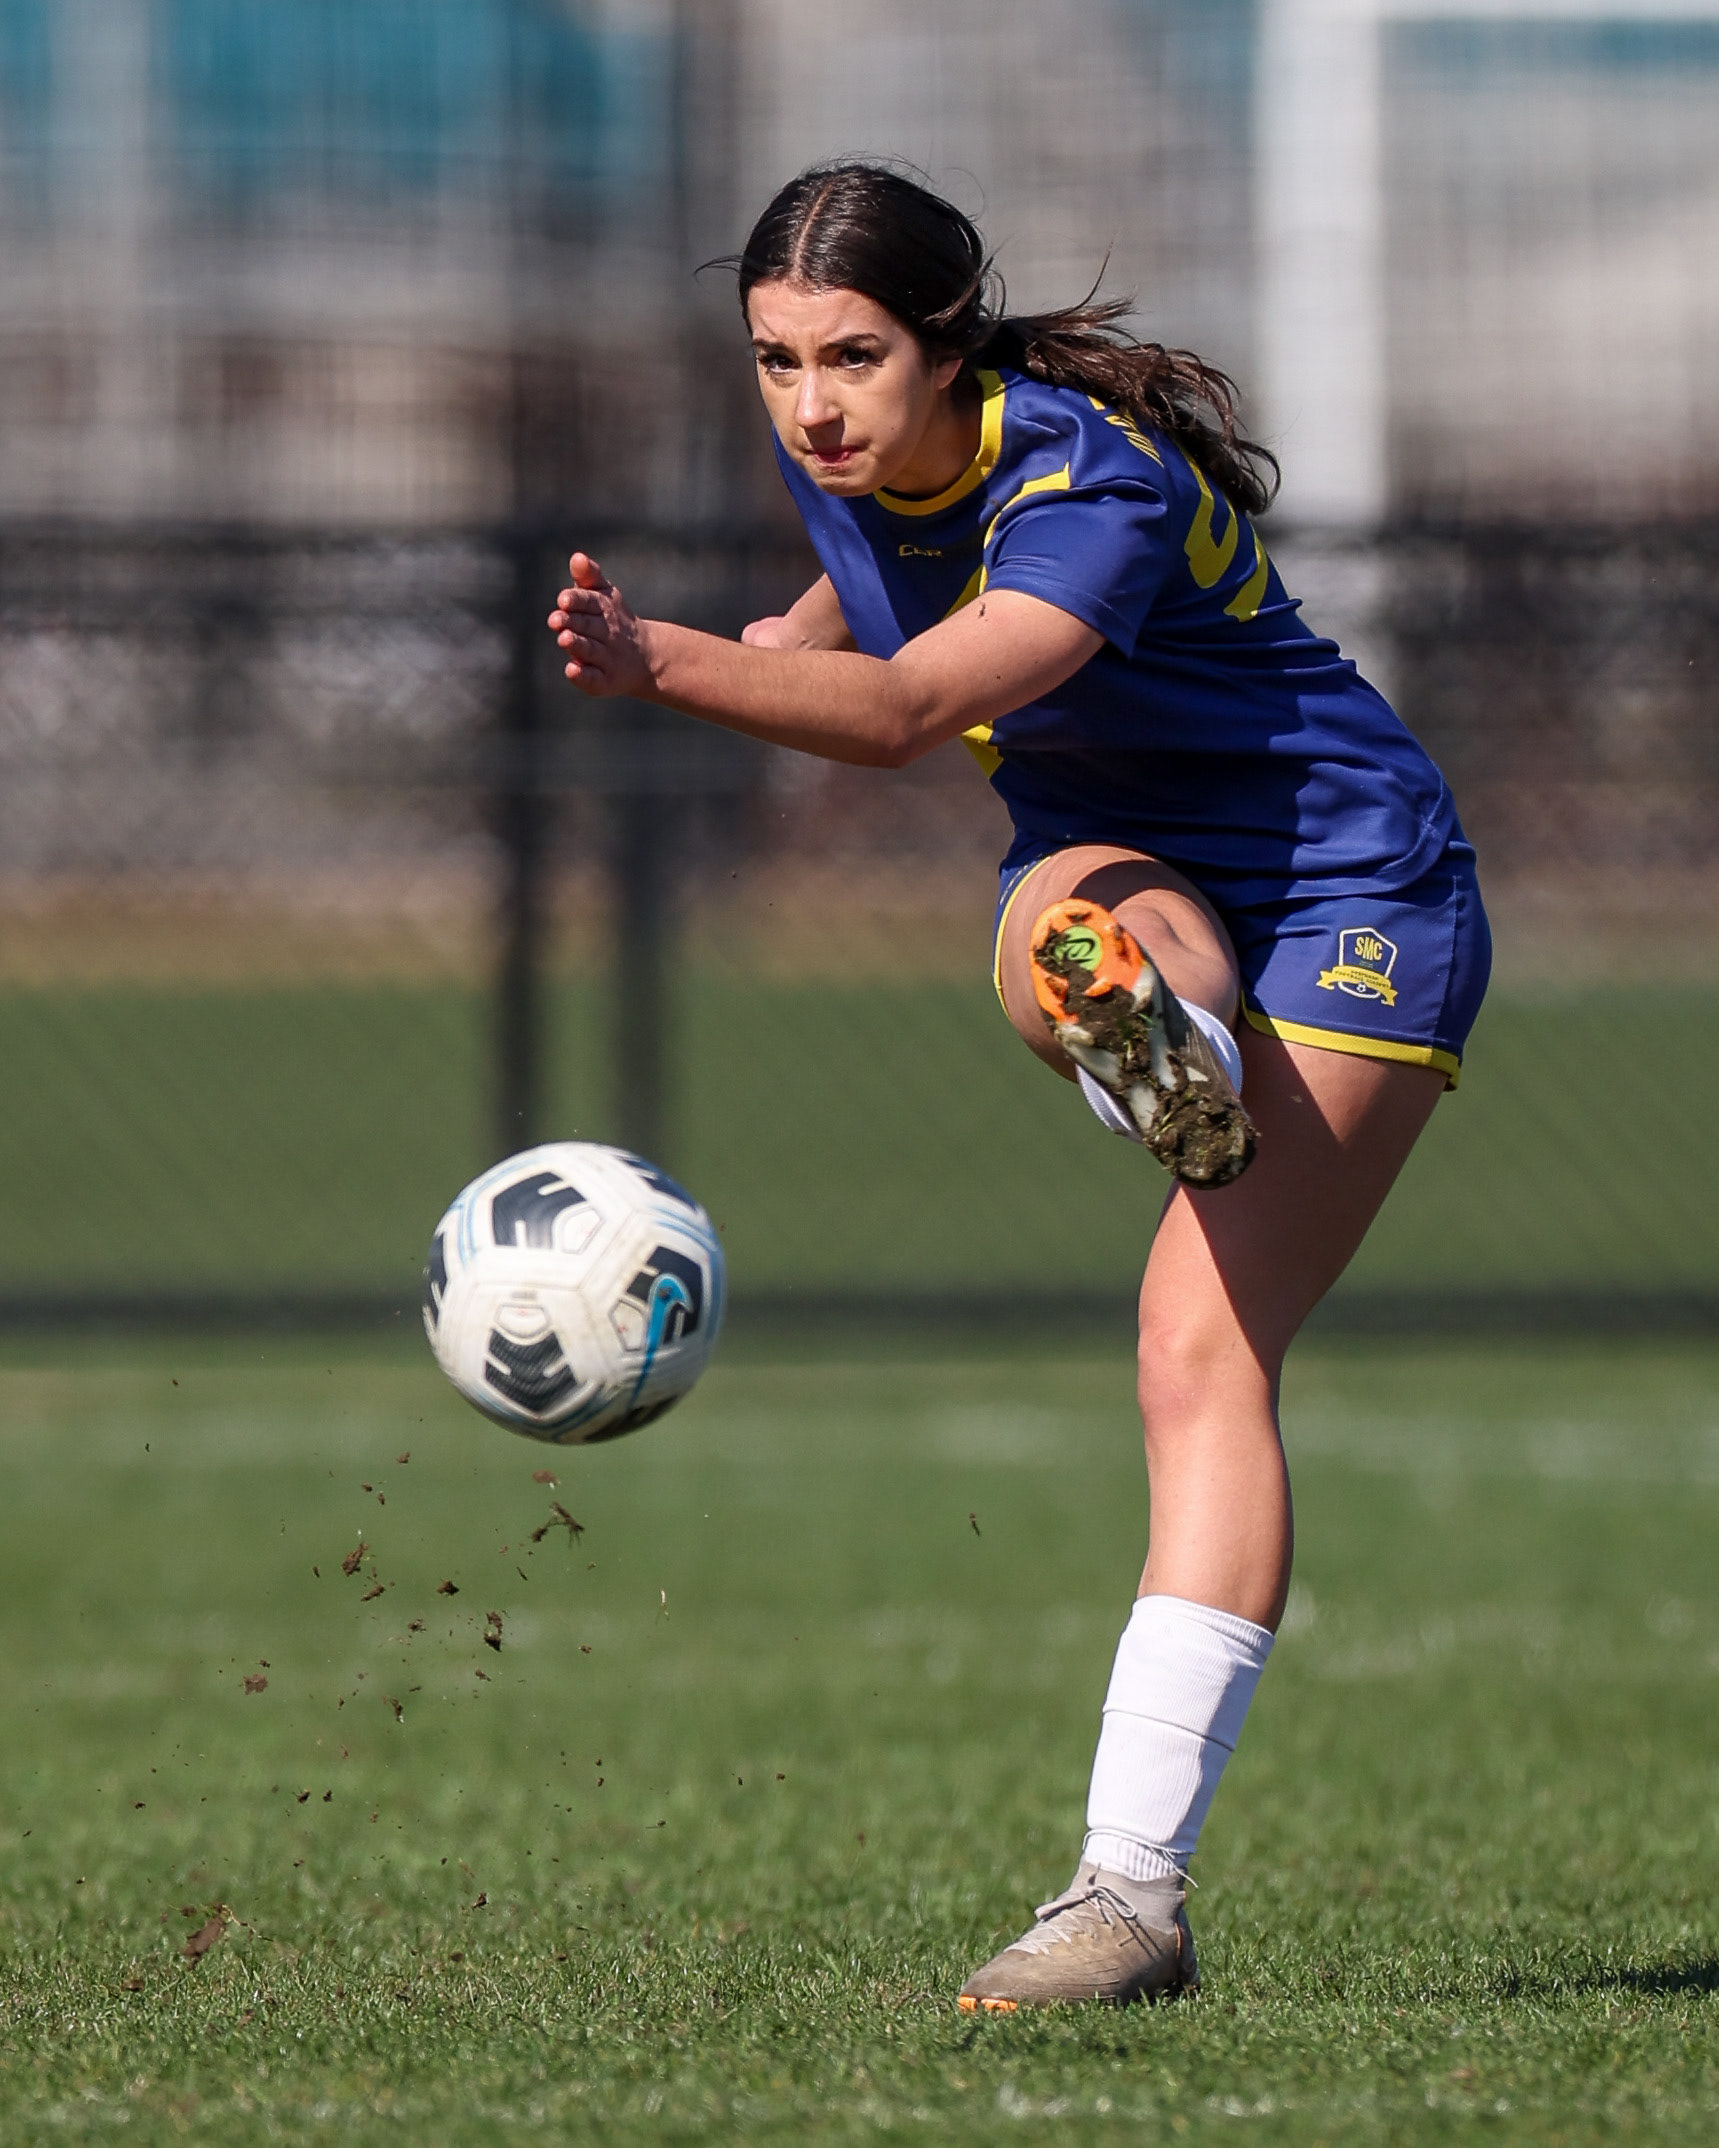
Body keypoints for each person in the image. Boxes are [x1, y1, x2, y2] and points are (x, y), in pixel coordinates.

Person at [546, 161, 1490, 2009]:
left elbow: (913, 714)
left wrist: (659, 662)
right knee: (1076, 937)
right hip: (1122, 862)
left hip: (1352, 882)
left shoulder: (1086, 483)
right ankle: (1161, 1049)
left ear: (945, 344)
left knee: (1198, 1348)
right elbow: (874, 596)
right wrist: (782, 642)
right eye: (775, 360)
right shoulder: (858, 463)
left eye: (853, 357)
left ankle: (1127, 1896)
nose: (812, 404)